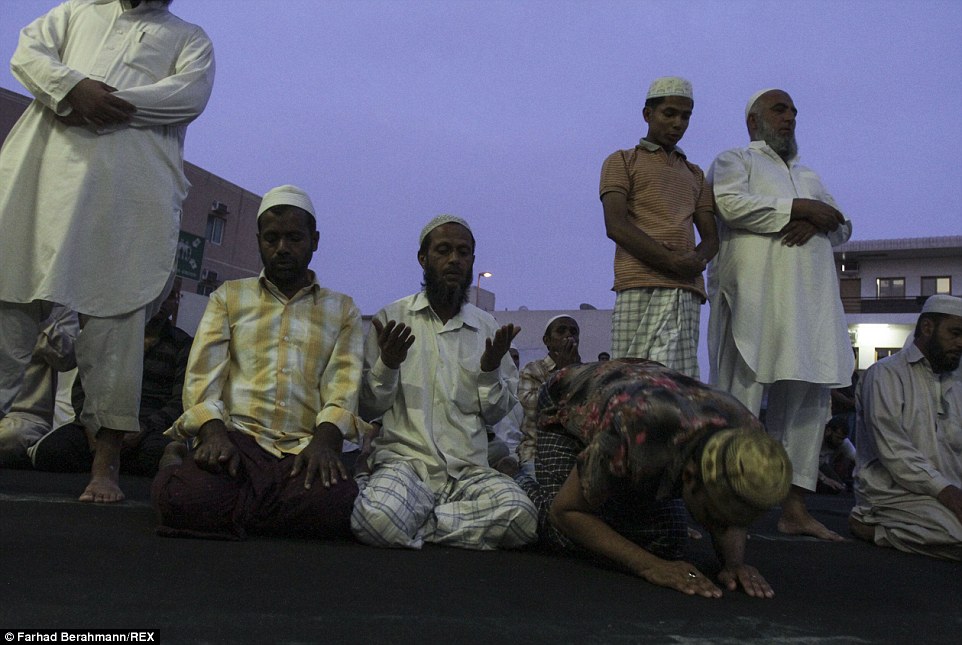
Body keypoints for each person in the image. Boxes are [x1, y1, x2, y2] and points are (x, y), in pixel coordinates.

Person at [0, 0, 215, 503]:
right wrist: (73, 89)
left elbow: (188, 94)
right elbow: (28, 53)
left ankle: (105, 465)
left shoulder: (189, 38)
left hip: (124, 200)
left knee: (117, 328)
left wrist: (105, 103)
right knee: (8, 310)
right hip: (41, 185)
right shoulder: (74, 12)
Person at [151, 186, 363, 540]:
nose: (282, 248)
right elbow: (203, 377)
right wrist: (213, 434)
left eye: (294, 238)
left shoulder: (342, 309)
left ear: (315, 241)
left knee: (337, 506)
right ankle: (181, 465)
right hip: (237, 444)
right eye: (272, 238)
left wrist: (324, 443)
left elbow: (344, 385)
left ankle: (233, 508)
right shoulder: (229, 297)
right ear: (259, 241)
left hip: (302, 448)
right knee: (183, 499)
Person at [707, 88, 854, 540]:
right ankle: (728, 512)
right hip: (755, 300)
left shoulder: (808, 174)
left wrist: (814, 217)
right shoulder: (736, 160)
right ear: (754, 121)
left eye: (793, 110)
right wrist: (797, 208)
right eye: (780, 109)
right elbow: (729, 205)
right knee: (741, 401)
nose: (790, 117)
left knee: (808, 406)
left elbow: (842, 224)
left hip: (810, 307)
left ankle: (795, 510)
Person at [518, 359, 791, 598]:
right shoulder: (636, 431)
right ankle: (516, 475)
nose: (723, 528)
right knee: (564, 534)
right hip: (568, 394)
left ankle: (596, 475)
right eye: (714, 517)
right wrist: (649, 565)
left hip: (639, 391)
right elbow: (566, 511)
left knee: (670, 539)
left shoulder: (750, 437)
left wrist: (733, 564)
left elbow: (732, 509)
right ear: (689, 475)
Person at [352, 214, 538, 550]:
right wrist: (389, 364)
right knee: (374, 519)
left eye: (463, 252)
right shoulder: (390, 320)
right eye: (443, 250)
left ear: (472, 261)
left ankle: (421, 522)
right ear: (423, 259)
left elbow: (496, 415)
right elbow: (368, 406)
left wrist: (490, 369)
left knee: (522, 516)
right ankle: (442, 520)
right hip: (407, 465)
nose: (454, 259)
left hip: (469, 471)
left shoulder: (487, 328)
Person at [600, 76, 718, 379]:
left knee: (676, 387)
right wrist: (671, 261)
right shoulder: (622, 161)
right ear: (647, 115)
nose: (678, 123)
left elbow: (711, 238)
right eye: (670, 113)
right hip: (637, 284)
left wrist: (695, 260)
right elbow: (616, 225)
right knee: (629, 384)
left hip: (684, 290)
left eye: (686, 116)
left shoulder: (695, 174)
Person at [849, 295, 962, 560]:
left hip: (948, 490)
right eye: (955, 333)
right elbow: (893, 450)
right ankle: (875, 528)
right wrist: (946, 491)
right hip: (894, 493)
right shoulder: (884, 374)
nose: (961, 343)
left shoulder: (956, 383)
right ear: (927, 328)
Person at [32, 290, 192, 477]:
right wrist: (92, 428)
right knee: (51, 451)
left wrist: (142, 429)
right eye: (158, 295)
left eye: (171, 297)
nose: (163, 303)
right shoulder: (109, 335)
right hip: (97, 422)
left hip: (149, 429)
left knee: (157, 456)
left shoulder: (182, 344)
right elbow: (81, 389)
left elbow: (180, 401)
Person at [0, 307, 79, 468]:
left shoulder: (58, 306)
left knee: (8, 437)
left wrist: (39, 314)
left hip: (23, 416)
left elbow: (67, 360)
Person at [517, 315, 581, 471]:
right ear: (547, 340)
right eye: (561, 331)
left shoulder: (584, 371)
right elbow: (533, 410)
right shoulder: (533, 369)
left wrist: (575, 372)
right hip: (537, 455)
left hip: (576, 457)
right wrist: (561, 373)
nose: (568, 335)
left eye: (573, 331)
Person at [815, 415, 855, 494]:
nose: (840, 441)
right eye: (837, 438)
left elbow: (857, 459)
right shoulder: (816, 437)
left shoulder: (843, 442)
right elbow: (805, 465)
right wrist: (824, 479)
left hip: (820, 465)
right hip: (803, 465)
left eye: (842, 439)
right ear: (828, 431)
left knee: (839, 487)